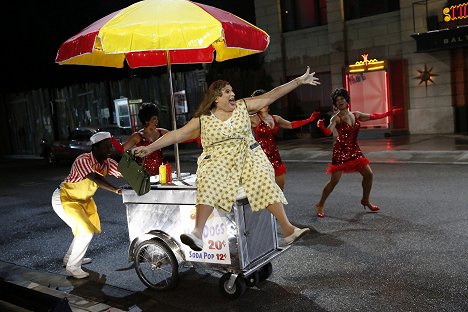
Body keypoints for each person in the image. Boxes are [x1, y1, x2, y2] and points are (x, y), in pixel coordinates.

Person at [134, 67, 320, 251]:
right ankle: (197, 233)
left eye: (232, 90)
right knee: (208, 180)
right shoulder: (203, 119)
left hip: (249, 156)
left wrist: (298, 81)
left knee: (263, 179)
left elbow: (271, 95)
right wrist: (149, 148)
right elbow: (176, 135)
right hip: (218, 161)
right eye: (227, 91)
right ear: (216, 98)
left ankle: (288, 230)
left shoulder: (242, 106)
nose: (233, 94)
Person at [315, 88, 400, 218]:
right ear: (335, 104)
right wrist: (321, 126)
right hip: (340, 151)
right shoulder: (336, 118)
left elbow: (373, 116)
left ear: (347, 100)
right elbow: (328, 132)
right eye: (337, 101)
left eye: (342, 99)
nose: (340, 102)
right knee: (334, 181)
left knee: (369, 174)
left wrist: (390, 113)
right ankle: (320, 204)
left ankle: (365, 200)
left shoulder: (356, 115)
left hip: (354, 150)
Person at [52, 132, 123, 278]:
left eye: (110, 147)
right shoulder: (83, 160)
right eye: (106, 147)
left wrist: (135, 165)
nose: (110, 150)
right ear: (95, 148)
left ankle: (69, 258)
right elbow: (95, 177)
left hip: (82, 201)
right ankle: (73, 267)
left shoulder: (107, 162)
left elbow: (122, 172)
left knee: (82, 230)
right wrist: (115, 189)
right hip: (64, 199)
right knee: (85, 231)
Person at [250, 89, 320, 190]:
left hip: (275, 157)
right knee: (265, 195)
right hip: (260, 160)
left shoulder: (275, 118)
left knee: (280, 192)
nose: (264, 103)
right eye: (261, 101)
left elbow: (291, 125)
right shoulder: (253, 118)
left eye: (265, 100)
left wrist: (309, 120)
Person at [112, 103, 169, 176]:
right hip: (143, 176)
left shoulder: (161, 132)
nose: (157, 121)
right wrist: (111, 139)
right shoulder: (137, 136)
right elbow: (121, 149)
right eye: (154, 119)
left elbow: (177, 136)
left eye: (157, 118)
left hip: (161, 174)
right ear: (146, 121)